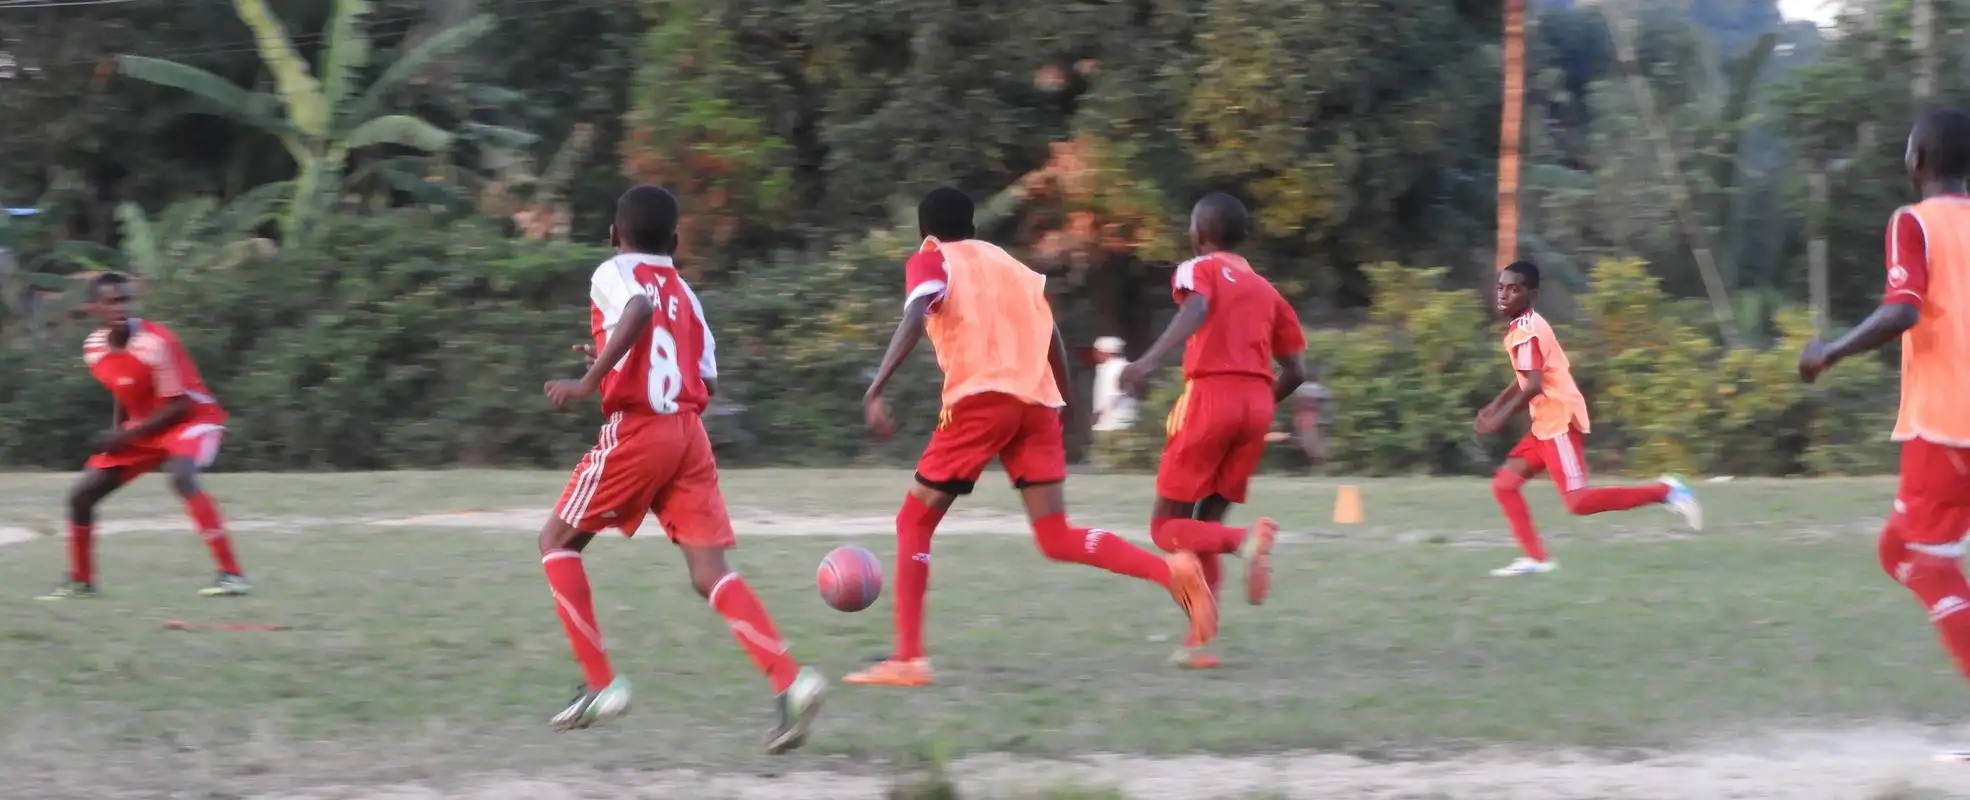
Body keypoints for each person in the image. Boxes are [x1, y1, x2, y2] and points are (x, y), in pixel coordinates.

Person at [850, 185, 1217, 686]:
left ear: (925, 233)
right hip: (1037, 404)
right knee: (1055, 535)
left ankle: (908, 659)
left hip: (981, 400)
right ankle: (1170, 573)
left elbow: (915, 314)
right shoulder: (1013, 267)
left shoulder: (932, 259)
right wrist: (1063, 402)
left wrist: (876, 388)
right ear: (973, 228)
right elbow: (1052, 337)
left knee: (914, 521)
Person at [536, 185, 825, 749]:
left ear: (614, 235)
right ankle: (791, 681)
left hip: (639, 430)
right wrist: (622, 363)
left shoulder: (614, 271)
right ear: (673, 242)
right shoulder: (687, 294)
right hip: (689, 436)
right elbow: (705, 377)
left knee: (556, 541)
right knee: (708, 571)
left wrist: (590, 381)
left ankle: (600, 683)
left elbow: (638, 310)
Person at [1799, 109, 1970, 762]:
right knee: (1898, 550)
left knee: (1927, 565)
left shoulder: (1913, 222)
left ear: (1918, 159)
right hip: (1950, 425)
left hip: (1950, 425)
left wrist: (1829, 353)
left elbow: (1902, 309)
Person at [1118, 193, 1304, 669]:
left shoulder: (1198, 268)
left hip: (1210, 397)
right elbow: (1297, 370)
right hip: (1256, 406)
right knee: (1205, 528)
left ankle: (1247, 541)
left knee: (1165, 528)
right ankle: (1199, 642)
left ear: (1199, 233)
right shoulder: (1268, 290)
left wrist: (1147, 361)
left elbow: (1197, 308)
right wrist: (1258, 405)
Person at [1479, 260, 1702, 577]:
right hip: (1544, 425)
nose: (1503, 294)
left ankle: (1666, 491)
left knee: (1578, 502)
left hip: (1559, 422)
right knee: (1505, 485)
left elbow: (1533, 385)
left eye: (1514, 289)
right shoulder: (1522, 328)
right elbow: (1527, 379)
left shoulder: (1527, 332)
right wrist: (1495, 405)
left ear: (1532, 294)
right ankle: (1537, 560)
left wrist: (1498, 417)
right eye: (1501, 287)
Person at [38, 271, 248, 600]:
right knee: (82, 496)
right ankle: (81, 581)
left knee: (181, 475)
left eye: (127, 300)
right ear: (95, 307)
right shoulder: (94, 349)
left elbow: (178, 405)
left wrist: (125, 435)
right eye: (112, 302)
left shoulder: (156, 342)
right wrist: (119, 432)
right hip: (145, 426)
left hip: (191, 419)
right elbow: (124, 392)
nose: (121, 307)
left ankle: (232, 576)